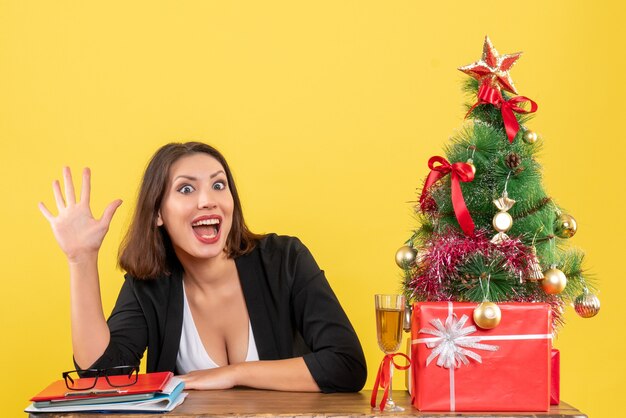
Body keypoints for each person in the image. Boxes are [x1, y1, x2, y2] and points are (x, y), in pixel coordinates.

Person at [39, 142, 366, 393]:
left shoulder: (285, 259)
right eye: (185, 188)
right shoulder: (149, 285)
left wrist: (233, 374)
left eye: (218, 185)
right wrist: (81, 260)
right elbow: (102, 377)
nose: (207, 200)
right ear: (158, 214)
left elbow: (346, 365)